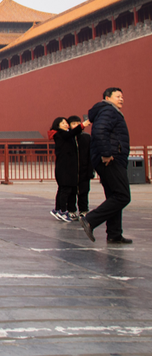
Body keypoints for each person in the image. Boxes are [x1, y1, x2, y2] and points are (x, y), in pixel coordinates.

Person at [81, 88, 132, 244]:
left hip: (109, 158)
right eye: (118, 96)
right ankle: (90, 219)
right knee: (123, 196)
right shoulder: (109, 111)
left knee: (113, 196)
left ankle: (114, 234)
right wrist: (106, 153)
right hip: (111, 159)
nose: (121, 99)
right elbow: (100, 131)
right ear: (107, 98)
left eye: (122, 96)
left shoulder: (105, 111)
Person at [48, 116, 86, 221]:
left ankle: (57, 209)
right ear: (57, 125)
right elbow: (71, 134)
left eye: (66, 123)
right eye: (63, 123)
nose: (66, 125)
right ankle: (63, 211)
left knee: (62, 189)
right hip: (65, 168)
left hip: (66, 167)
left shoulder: (65, 135)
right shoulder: (60, 134)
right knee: (65, 189)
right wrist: (82, 125)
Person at [68, 115, 94, 217]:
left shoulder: (86, 137)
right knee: (71, 192)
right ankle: (71, 210)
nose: (76, 125)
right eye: (73, 124)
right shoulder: (68, 138)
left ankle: (84, 210)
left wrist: (90, 170)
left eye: (78, 123)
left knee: (84, 191)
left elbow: (91, 154)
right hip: (71, 170)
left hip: (84, 169)